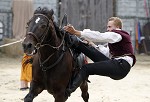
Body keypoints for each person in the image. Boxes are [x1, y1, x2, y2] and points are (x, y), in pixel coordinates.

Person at [63, 17, 136, 96]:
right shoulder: (114, 40)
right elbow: (106, 53)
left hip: (121, 66)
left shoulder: (118, 34)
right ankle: (71, 39)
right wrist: (92, 45)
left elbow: (100, 36)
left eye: (110, 27)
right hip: (116, 65)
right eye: (107, 27)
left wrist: (76, 32)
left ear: (117, 27)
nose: (107, 29)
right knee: (88, 47)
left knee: (85, 68)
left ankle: (67, 92)